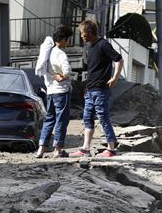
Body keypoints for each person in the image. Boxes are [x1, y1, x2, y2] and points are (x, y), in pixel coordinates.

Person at [71, 19, 123, 158]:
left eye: (82, 33)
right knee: (87, 118)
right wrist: (86, 88)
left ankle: (111, 149)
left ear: (89, 32)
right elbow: (92, 71)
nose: (81, 36)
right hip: (90, 90)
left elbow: (119, 59)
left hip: (100, 90)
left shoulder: (103, 45)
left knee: (103, 118)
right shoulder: (90, 48)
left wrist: (115, 78)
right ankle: (85, 148)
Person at [34, 25, 73, 158]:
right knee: (61, 120)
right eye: (67, 39)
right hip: (61, 91)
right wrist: (63, 76)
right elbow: (67, 70)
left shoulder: (47, 52)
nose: (68, 43)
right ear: (62, 39)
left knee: (49, 119)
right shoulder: (60, 53)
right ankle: (58, 149)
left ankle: (41, 148)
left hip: (50, 92)